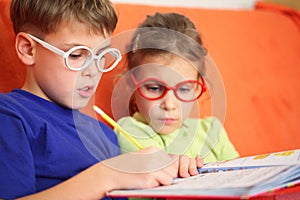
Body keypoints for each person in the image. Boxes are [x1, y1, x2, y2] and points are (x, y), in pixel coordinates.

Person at [0, 1, 203, 199]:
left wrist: (169, 176)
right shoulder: (10, 115)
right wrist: (109, 174)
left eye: (101, 55)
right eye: (77, 55)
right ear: (28, 49)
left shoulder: (105, 134)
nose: (93, 71)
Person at [114, 12, 239, 163]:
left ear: (198, 88)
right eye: (154, 88)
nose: (169, 105)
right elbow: (156, 174)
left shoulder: (211, 131)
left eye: (184, 89)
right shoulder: (130, 131)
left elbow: (240, 174)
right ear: (131, 86)